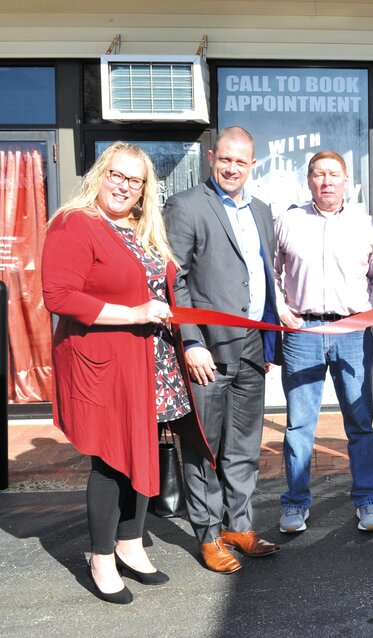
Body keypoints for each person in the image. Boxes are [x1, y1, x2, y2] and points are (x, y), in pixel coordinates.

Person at [42, 142, 211, 603]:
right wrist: (134, 312)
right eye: (116, 175)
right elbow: (59, 296)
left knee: (146, 449)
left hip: (150, 361)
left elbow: (170, 286)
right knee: (111, 457)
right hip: (104, 361)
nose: (123, 186)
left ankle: (131, 544)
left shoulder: (141, 227)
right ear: (100, 174)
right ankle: (101, 557)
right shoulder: (75, 224)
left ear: (143, 190)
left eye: (134, 180)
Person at [164, 126, 281, 573]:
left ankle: (239, 526)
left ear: (254, 165)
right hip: (206, 352)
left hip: (252, 348)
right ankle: (209, 535)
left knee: (244, 447)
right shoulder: (187, 206)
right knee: (203, 449)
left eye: (242, 161)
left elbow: (263, 278)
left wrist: (272, 334)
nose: (232, 168)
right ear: (212, 158)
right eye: (225, 159)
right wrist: (190, 341)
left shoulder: (264, 212)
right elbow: (176, 281)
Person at [274, 150, 373, 533]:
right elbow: (269, 272)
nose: (326, 181)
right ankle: (294, 504)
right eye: (319, 174)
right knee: (299, 425)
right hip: (302, 332)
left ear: (346, 181)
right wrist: (280, 308)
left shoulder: (366, 224)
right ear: (309, 181)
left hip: (352, 334)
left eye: (333, 174)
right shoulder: (288, 221)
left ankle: (368, 499)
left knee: (360, 422)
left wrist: (368, 313)